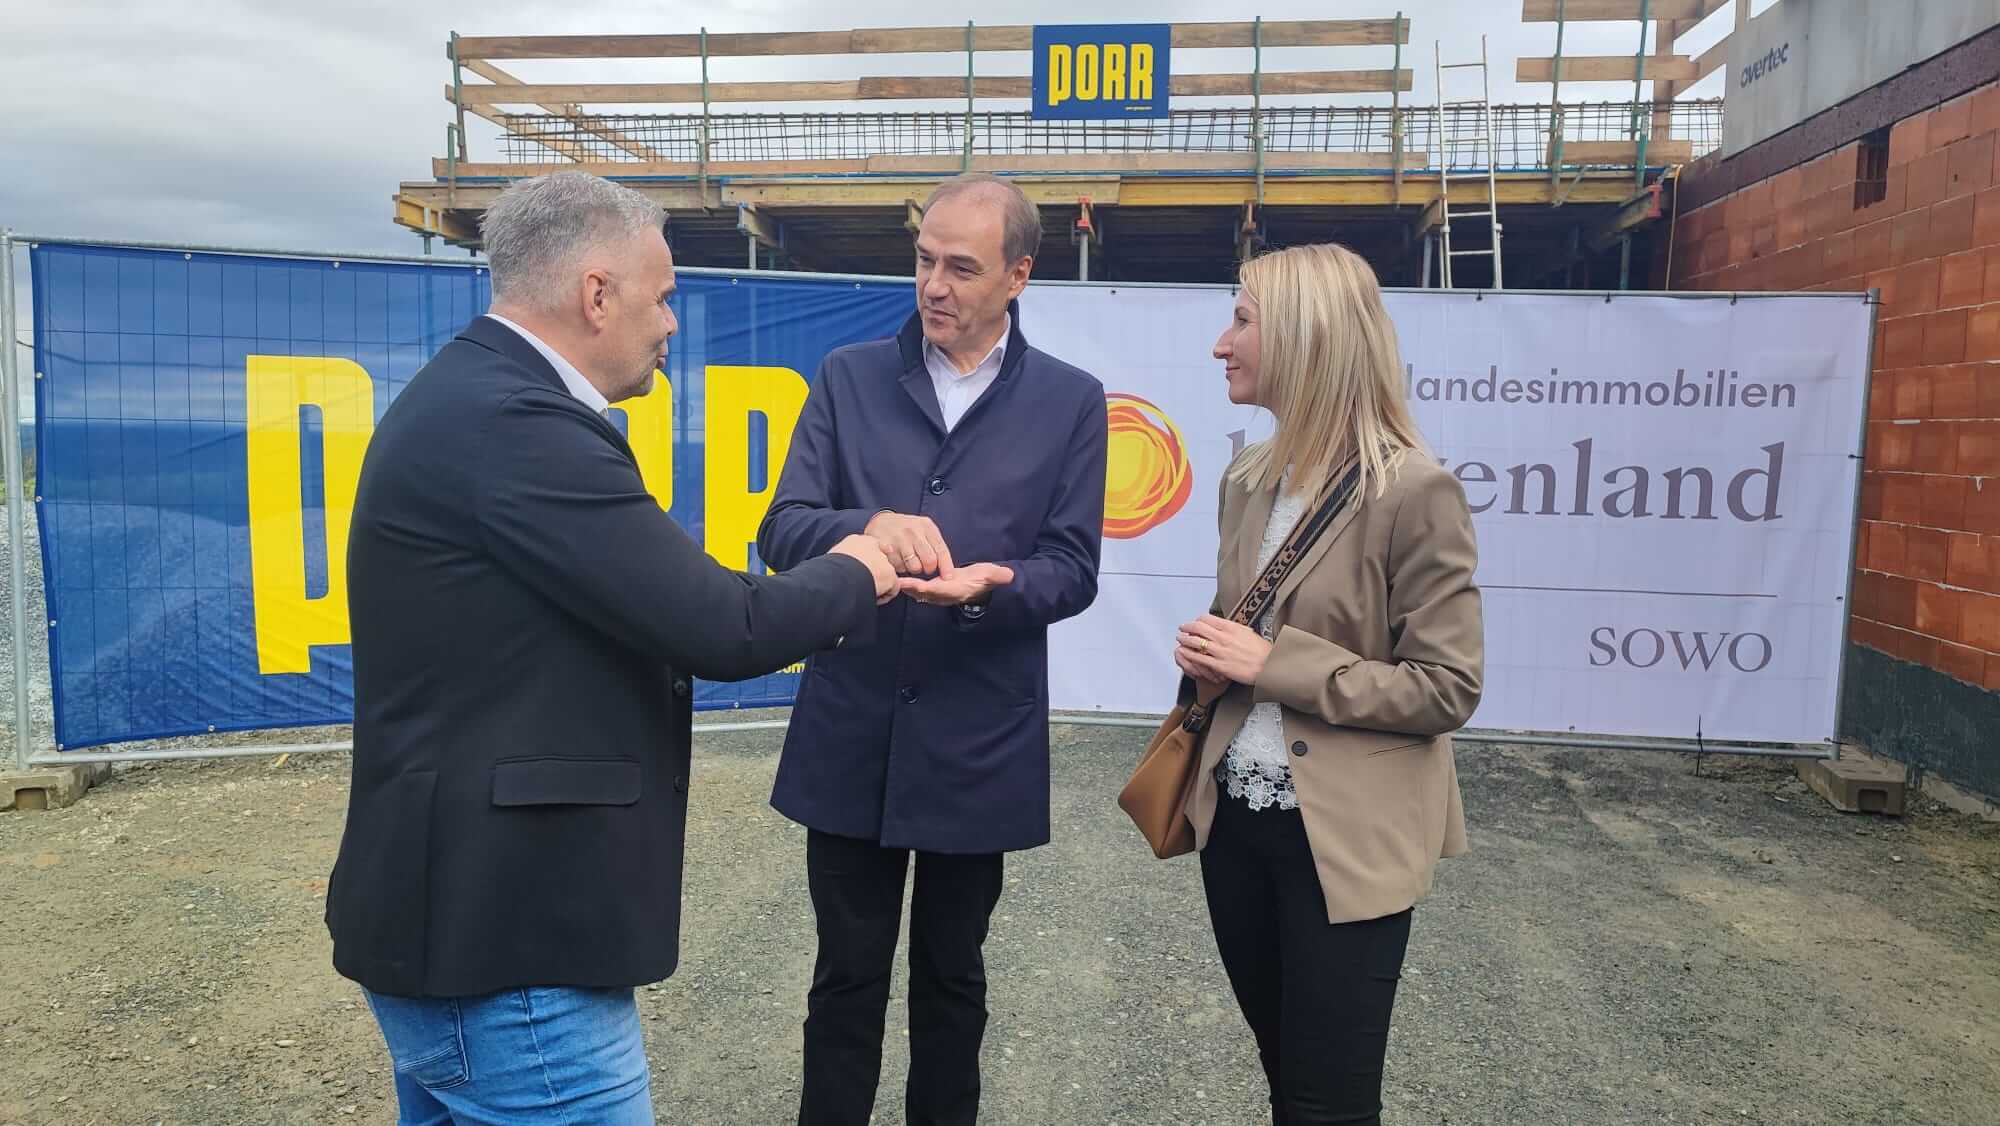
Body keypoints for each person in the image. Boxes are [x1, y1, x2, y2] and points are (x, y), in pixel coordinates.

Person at [326, 170, 898, 1125]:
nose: (671, 321)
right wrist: (862, 565)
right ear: (597, 294)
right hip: (511, 957)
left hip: (469, 932)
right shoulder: (517, 425)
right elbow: (721, 624)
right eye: (663, 294)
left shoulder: (480, 398)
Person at [756, 172, 1109, 1126]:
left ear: (1019, 277)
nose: (935, 285)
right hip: (852, 727)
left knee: (954, 984)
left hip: (976, 737)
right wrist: (865, 525)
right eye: (924, 261)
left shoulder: (1072, 403)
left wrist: (994, 586)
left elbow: (1072, 569)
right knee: (844, 983)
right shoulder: (848, 375)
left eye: (961, 266)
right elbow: (781, 529)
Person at [1172, 243, 1482, 1126]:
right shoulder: (1245, 481)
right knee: (1283, 1078)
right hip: (1236, 822)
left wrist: (1274, 666)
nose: (1220, 344)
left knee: (1327, 1102)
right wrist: (1208, 653)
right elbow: (1242, 631)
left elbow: (1446, 687)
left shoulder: (1415, 491)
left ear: (1307, 336)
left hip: (1348, 840)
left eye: (1240, 319)